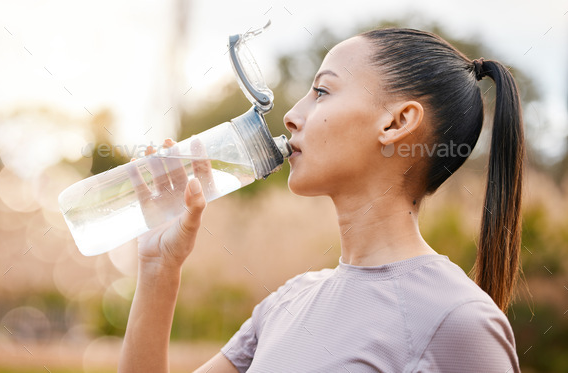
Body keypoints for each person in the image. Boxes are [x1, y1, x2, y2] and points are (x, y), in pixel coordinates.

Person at [118, 28, 523, 372]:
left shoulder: (458, 320)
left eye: (322, 91)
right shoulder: (287, 303)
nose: (292, 115)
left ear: (397, 122)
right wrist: (158, 267)